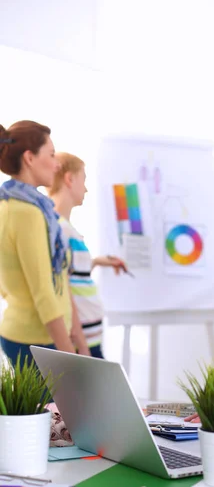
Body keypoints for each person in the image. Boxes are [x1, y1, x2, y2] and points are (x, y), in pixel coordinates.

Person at [0, 121, 78, 366]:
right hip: (40, 340)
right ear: (29, 158)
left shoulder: (8, 205)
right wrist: (71, 359)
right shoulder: (28, 213)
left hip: (25, 334)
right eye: (52, 154)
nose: (56, 164)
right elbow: (44, 294)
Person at [49, 152, 128, 359]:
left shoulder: (66, 227)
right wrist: (80, 342)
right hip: (81, 341)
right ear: (69, 179)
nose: (85, 188)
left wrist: (97, 262)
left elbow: (72, 273)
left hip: (89, 336)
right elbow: (63, 288)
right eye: (83, 179)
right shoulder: (59, 229)